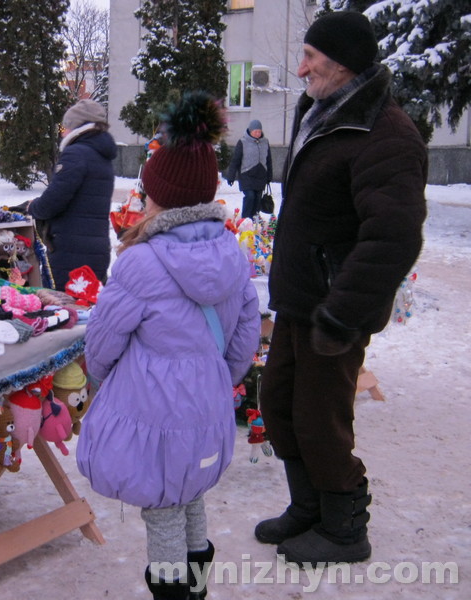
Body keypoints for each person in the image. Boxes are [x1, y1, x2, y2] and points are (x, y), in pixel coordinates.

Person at [256, 11, 427, 566]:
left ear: (343, 63)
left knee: (321, 418)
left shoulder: (386, 132)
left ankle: (345, 527)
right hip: (299, 299)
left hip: (334, 310)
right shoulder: (324, 112)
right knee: (279, 404)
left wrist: (343, 312)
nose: (299, 68)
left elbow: (393, 236)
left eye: (310, 57)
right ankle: (307, 508)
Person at [77, 91, 260, 600]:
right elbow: (246, 330)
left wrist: (100, 378)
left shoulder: (141, 261)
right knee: (192, 495)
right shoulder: (231, 250)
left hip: (153, 412)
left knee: (162, 509)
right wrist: (221, 375)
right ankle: (198, 587)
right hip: (206, 404)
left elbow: (103, 341)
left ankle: (175, 593)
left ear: (162, 197)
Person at [25, 99, 116, 289]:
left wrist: (32, 207)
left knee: (66, 309)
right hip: (96, 247)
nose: (63, 132)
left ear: (76, 126)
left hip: (72, 251)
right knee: (90, 306)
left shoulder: (76, 154)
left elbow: (53, 201)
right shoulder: (102, 156)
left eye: (65, 127)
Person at [225, 119, 273, 219]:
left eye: (259, 131)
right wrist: (231, 176)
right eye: (255, 131)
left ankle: (254, 221)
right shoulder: (242, 142)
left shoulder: (265, 142)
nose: (257, 133)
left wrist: (269, 176)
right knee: (250, 196)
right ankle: (245, 220)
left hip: (261, 176)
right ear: (250, 131)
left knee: (257, 199)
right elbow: (235, 160)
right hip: (246, 175)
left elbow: (269, 160)